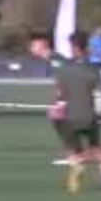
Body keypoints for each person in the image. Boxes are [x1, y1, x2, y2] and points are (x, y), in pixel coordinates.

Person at [53, 31, 101, 193]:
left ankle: (78, 165)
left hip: (71, 116)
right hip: (90, 116)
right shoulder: (94, 70)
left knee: (73, 149)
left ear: (72, 46)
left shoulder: (64, 69)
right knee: (97, 148)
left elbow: (60, 95)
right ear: (86, 46)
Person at [28, 31, 72, 166]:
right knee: (58, 118)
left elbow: (66, 75)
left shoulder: (54, 58)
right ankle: (75, 152)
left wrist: (61, 98)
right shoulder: (51, 59)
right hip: (68, 93)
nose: (30, 48)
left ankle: (74, 154)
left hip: (70, 94)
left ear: (42, 46)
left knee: (59, 118)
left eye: (33, 45)